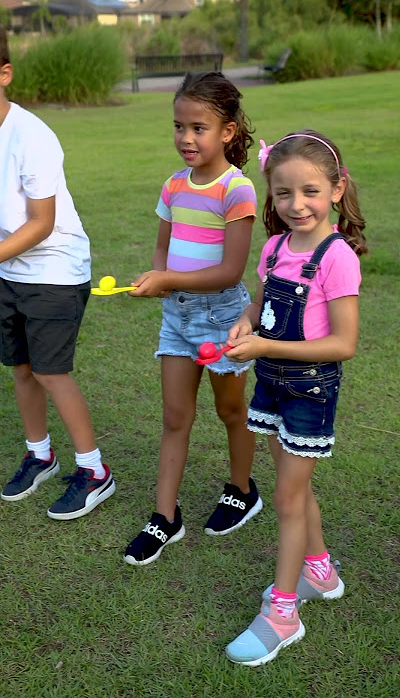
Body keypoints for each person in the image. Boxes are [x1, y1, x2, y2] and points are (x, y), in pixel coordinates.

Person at [224, 130, 367, 665]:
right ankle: (320, 572)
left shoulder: (337, 258)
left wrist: (264, 343)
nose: (295, 204)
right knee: (294, 485)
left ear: (336, 189)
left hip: (310, 388)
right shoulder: (275, 246)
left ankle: (283, 615)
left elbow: (344, 343)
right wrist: (245, 326)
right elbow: (260, 303)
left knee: (287, 496)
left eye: (309, 190)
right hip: (273, 382)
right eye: (283, 193)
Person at [123, 71, 262, 566]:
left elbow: (231, 271)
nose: (186, 138)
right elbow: (163, 250)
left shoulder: (236, 189)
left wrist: (170, 281)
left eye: (198, 128)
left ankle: (242, 490)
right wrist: (155, 279)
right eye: (178, 126)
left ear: (227, 130)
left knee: (230, 411)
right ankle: (165, 518)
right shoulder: (174, 185)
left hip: (223, 317)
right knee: (175, 417)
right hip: (176, 318)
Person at [0, 27, 115, 519]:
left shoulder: (32, 136)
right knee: (21, 367)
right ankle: (40, 454)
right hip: (8, 266)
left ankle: (94, 471)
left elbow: (42, 224)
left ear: (4, 74)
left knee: (49, 370)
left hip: (53, 267)